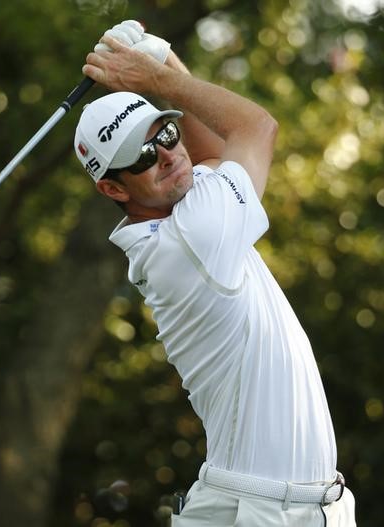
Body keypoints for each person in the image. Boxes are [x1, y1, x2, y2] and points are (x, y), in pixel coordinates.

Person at [73, 21, 357, 527]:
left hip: (269, 505)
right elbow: (254, 128)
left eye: (165, 131)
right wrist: (159, 79)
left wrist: (160, 58)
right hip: (265, 510)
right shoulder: (194, 238)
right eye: (141, 155)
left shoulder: (177, 214)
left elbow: (205, 156)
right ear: (115, 190)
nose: (165, 154)